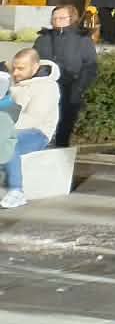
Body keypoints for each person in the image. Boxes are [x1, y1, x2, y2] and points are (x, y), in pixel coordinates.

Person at [1, 49, 60, 208]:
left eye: (21, 69)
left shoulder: (47, 87)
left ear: (35, 68)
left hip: (37, 132)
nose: (15, 73)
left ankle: (16, 191)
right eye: (14, 68)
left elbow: (33, 118)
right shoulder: (12, 80)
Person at [32, 4, 97, 147]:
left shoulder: (82, 39)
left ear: (72, 18)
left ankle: (60, 147)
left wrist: (79, 88)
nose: (57, 21)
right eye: (54, 18)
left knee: (65, 124)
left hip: (71, 87)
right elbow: (33, 61)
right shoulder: (43, 38)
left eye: (61, 18)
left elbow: (90, 66)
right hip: (45, 87)